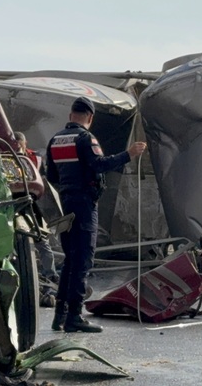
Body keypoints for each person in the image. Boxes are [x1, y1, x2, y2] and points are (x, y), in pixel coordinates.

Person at [45, 97, 147, 332]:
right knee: (82, 261)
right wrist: (129, 154)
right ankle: (74, 317)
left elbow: (51, 176)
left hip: (66, 205)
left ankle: (59, 316)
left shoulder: (55, 140)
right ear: (90, 118)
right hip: (84, 205)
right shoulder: (85, 138)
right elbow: (99, 164)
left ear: (71, 115)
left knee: (70, 261)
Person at [14, 131, 61, 307]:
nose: (17, 146)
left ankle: (50, 275)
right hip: (14, 206)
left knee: (43, 242)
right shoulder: (5, 158)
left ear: (25, 143)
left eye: (20, 143)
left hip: (33, 206)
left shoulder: (34, 158)